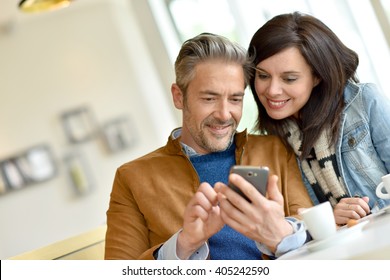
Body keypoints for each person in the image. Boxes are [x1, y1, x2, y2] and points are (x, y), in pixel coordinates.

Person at [104, 32, 313, 260]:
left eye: (235, 99)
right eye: (209, 98)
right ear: (178, 97)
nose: (224, 115)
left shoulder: (276, 150)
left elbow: (313, 234)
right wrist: (183, 245)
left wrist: (281, 235)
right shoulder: (132, 178)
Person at [247, 11, 390, 226]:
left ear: (317, 76)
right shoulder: (277, 140)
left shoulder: (364, 102)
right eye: (263, 75)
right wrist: (331, 220)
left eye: (289, 78)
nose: (272, 90)